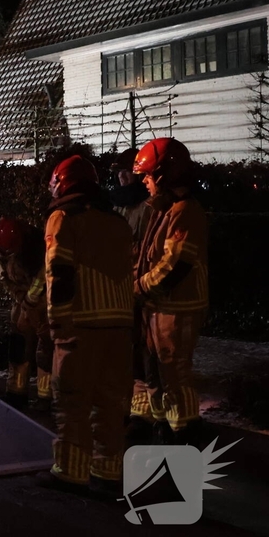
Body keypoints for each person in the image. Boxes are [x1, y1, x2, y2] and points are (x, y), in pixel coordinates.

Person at [40, 155, 134, 495]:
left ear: (62, 184)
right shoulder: (118, 222)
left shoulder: (62, 218)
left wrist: (57, 322)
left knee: (72, 400)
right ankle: (109, 469)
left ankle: (70, 471)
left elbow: (59, 272)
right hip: (120, 326)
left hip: (79, 324)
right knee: (110, 402)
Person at [133, 138, 208, 446]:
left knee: (174, 371)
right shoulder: (166, 210)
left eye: (148, 175)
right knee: (157, 370)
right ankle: (163, 428)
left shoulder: (184, 211)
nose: (144, 181)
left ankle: (185, 434)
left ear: (164, 175)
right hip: (159, 306)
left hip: (178, 307)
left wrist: (137, 287)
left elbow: (173, 267)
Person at [109, 148, 158, 445]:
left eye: (126, 171)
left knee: (142, 354)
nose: (121, 177)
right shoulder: (119, 205)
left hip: (140, 290)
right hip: (121, 289)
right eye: (119, 172)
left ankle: (142, 417)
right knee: (123, 354)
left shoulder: (148, 208)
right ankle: (127, 409)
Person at [0, 217, 52, 409]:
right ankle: (16, 394)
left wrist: (30, 300)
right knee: (18, 347)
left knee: (45, 350)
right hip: (22, 303)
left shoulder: (36, 249)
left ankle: (47, 397)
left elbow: (42, 278)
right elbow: (5, 277)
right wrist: (21, 300)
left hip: (42, 304)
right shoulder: (5, 248)